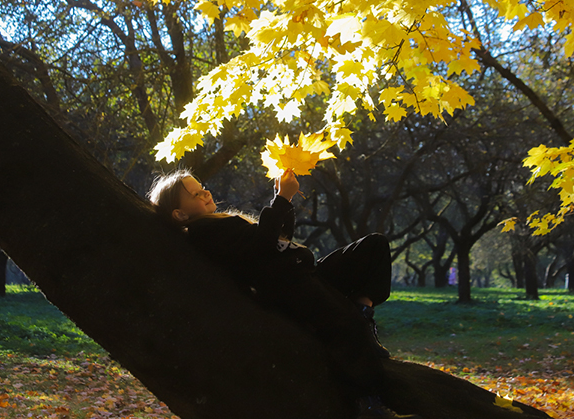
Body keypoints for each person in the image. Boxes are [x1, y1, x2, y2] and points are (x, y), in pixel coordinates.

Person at [148, 168, 420, 419]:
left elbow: (278, 241)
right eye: (196, 194)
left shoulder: (218, 223)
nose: (206, 193)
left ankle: (364, 312)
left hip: (305, 276)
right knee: (344, 326)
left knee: (372, 247)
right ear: (180, 214)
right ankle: (369, 403)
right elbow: (259, 245)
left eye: (203, 187)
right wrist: (281, 198)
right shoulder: (205, 231)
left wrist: (284, 203)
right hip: (290, 288)